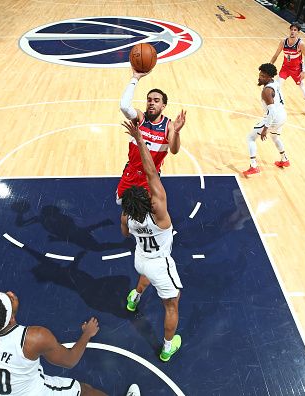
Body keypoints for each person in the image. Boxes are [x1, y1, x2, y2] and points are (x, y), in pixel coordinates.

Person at [0, 291, 141, 396]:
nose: (12, 294)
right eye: (10, 300)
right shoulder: (34, 338)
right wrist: (86, 335)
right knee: (85, 390)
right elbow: (70, 361)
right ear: (11, 319)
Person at [120, 119, 183, 362]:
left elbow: (125, 234)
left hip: (141, 259)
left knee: (146, 274)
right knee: (172, 304)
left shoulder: (127, 216)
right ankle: (167, 347)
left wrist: (136, 139)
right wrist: (140, 140)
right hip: (159, 263)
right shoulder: (160, 216)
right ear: (148, 201)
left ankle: (134, 298)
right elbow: (151, 172)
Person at [116, 68, 186, 204]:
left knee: (146, 211)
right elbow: (124, 107)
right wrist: (135, 78)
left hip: (150, 178)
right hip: (131, 172)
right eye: (149, 100)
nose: (151, 103)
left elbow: (174, 150)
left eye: (156, 100)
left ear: (163, 105)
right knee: (123, 206)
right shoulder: (140, 118)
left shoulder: (169, 125)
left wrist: (177, 132)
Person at [242, 63, 288, 177]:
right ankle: (284, 159)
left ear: (269, 77)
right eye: (260, 75)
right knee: (275, 137)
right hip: (282, 115)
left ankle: (253, 167)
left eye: (262, 76)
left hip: (274, 118)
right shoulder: (275, 83)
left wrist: (265, 128)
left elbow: (271, 112)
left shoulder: (266, 91)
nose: (259, 77)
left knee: (250, 137)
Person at [269, 22, 305, 118]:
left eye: (295, 30)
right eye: (291, 29)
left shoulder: (300, 44)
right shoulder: (283, 42)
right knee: (277, 86)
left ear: (298, 32)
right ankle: (278, 106)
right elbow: (276, 55)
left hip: (297, 69)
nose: (292, 31)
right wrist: (269, 66)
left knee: (302, 87)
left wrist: (304, 71)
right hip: (285, 67)